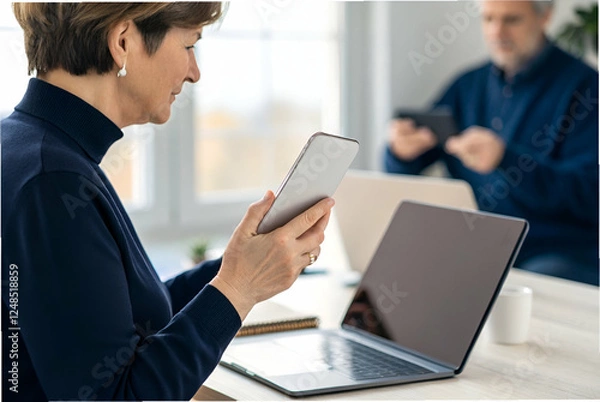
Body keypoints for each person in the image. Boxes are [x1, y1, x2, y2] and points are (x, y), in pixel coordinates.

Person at [1, 3, 334, 401]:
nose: (194, 72)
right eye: (190, 45)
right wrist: (239, 287)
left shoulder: (29, 148)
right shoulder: (54, 181)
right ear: (122, 42)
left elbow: (117, 319)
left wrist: (242, 265)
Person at [385, 0, 599, 286]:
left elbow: (590, 194)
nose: (497, 32)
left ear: (544, 16)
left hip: (556, 254)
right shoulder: (467, 86)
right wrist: (400, 152)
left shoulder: (586, 89)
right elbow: (403, 170)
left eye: (511, 20)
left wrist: (504, 159)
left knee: (529, 287)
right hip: (478, 248)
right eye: (488, 19)